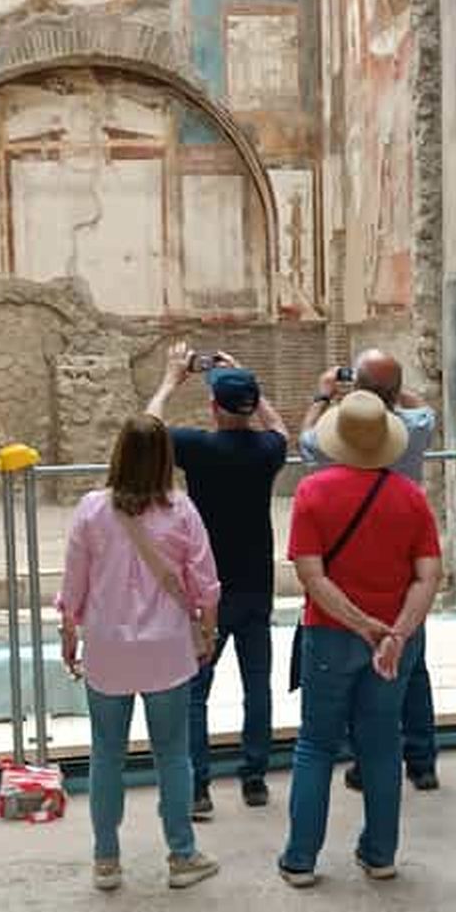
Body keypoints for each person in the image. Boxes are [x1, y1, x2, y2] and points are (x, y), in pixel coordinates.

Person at [280, 390, 442, 887]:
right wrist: (396, 633)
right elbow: (429, 575)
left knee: (316, 746)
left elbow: (312, 575)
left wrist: (358, 621)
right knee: (382, 744)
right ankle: (380, 854)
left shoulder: (312, 493)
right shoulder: (411, 496)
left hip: (330, 634)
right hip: (395, 641)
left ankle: (301, 860)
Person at [57, 414, 221, 891]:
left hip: (108, 648)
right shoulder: (182, 510)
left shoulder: (91, 510)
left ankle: (106, 860)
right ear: (166, 459)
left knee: (106, 754)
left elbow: (74, 583)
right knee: (172, 754)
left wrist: (69, 631)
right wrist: (207, 632)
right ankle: (182, 855)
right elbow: (205, 582)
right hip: (166, 650)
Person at [147, 344, 288, 815]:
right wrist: (247, 380)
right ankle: (255, 779)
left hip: (206, 588)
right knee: (257, 686)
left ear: (213, 407)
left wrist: (171, 380)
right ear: (250, 406)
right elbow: (279, 429)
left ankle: (199, 787)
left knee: (195, 692)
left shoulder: (199, 448)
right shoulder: (268, 451)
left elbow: (149, 431)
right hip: (256, 585)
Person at [298, 348, 440, 791]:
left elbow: (304, 438)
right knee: (411, 668)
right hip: (403, 569)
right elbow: (426, 411)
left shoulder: (327, 444)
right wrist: (393, 393)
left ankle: (365, 761)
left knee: (352, 688)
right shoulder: (415, 429)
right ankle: (422, 761)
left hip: (345, 575)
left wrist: (324, 396)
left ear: (356, 390)